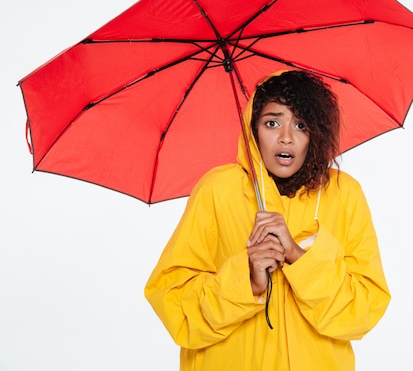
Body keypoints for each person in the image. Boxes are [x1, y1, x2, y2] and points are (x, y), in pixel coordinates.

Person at [144, 70, 391, 371]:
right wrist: (247, 279)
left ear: (317, 132)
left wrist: (298, 258)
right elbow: (173, 304)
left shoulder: (344, 195)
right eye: (272, 122)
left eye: (301, 124)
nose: (286, 137)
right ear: (253, 128)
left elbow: (364, 311)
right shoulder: (217, 191)